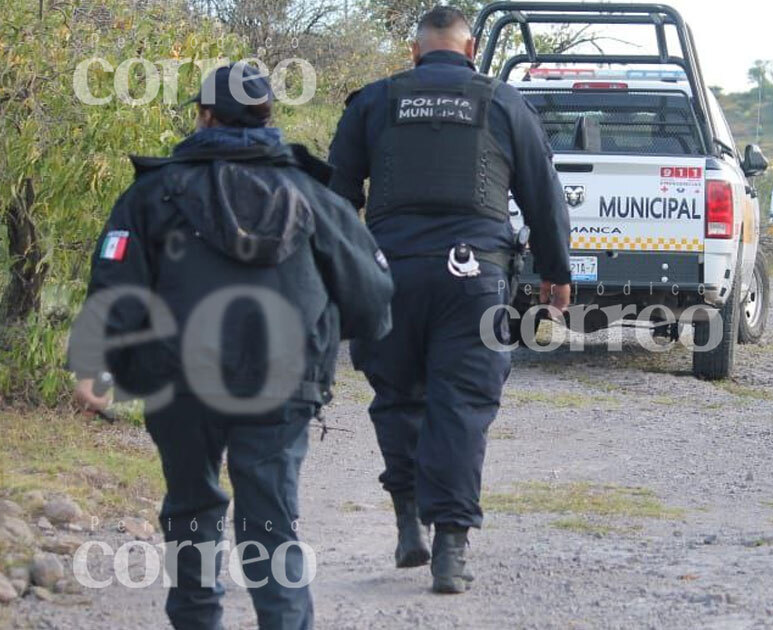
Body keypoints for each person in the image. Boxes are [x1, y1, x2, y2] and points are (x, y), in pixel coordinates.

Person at [68, 63, 395, 629]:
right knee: (271, 522)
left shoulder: (151, 193)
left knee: (191, 511)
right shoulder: (313, 195)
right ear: (268, 116)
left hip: (179, 381)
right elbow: (370, 293)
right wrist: (321, 332)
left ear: (205, 115)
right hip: (283, 380)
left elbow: (114, 282)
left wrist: (95, 364)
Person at [327, 6, 572, 594]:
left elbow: (335, 196)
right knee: (460, 406)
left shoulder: (374, 103)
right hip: (476, 282)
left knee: (397, 396)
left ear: (413, 54)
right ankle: (450, 549)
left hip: (389, 279)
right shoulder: (504, 103)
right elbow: (543, 196)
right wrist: (556, 274)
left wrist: (344, 271)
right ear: (470, 52)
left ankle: (409, 519)